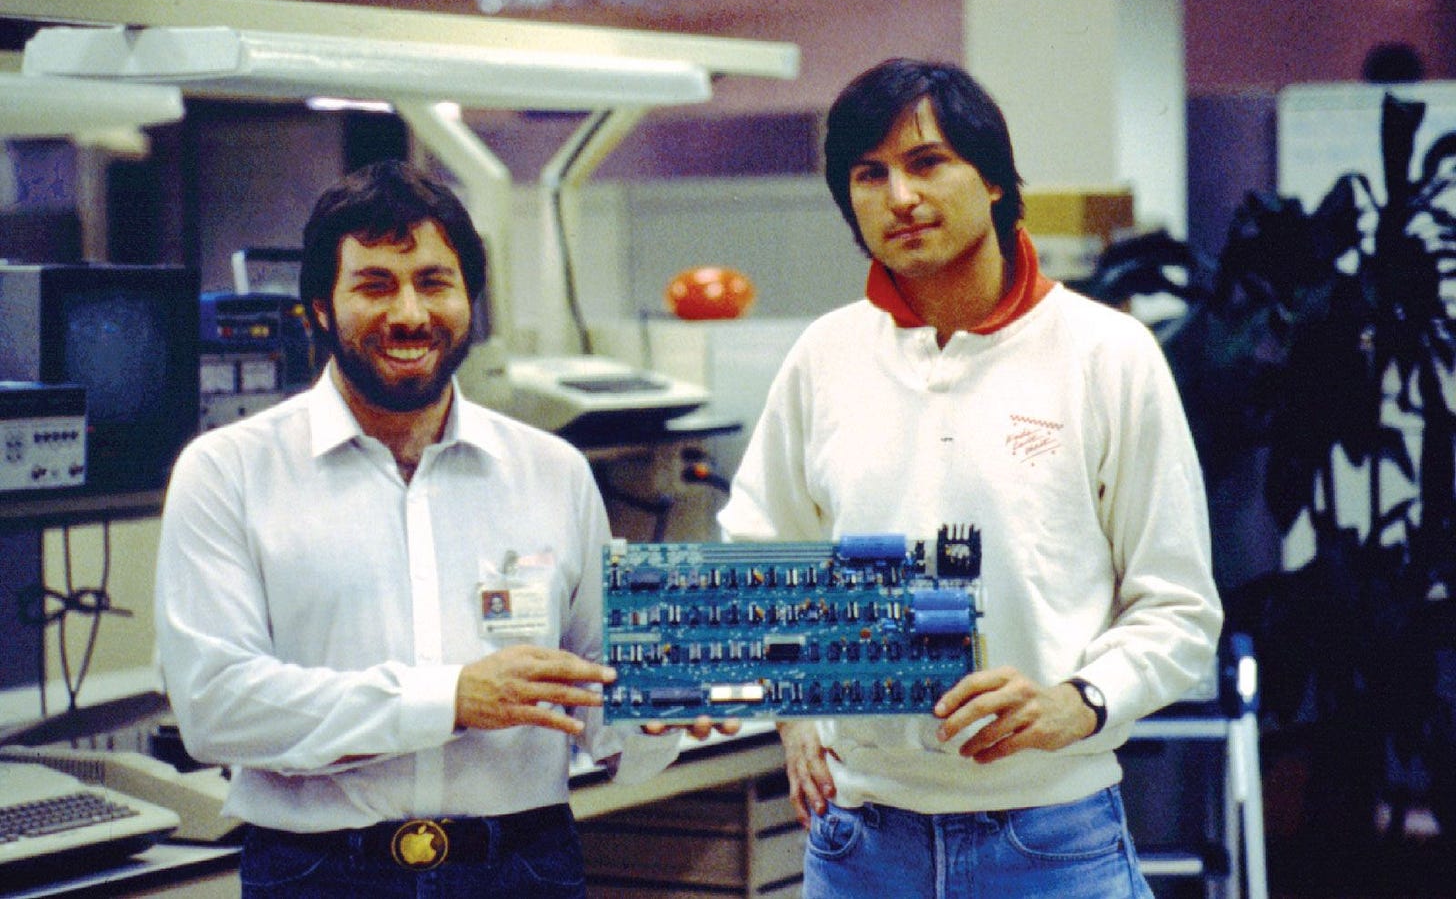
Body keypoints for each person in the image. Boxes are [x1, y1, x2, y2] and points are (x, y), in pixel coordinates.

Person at [717, 58, 1223, 898]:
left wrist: (1083, 701)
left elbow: (1179, 607)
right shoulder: (826, 357)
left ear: (992, 179)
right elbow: (761, 559)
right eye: (869, 175)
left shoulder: (1106, 355)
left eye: (926, 163)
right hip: (858, 843)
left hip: (1052, 840)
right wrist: (795, 708)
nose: (900, 197)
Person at [155, 159, 728, 898]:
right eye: (374, 285)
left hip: (522, 867)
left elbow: (593, 684)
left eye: (433, 282)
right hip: (319, 873)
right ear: (320, 309)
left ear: (468, 299)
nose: (409, 314)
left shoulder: (551, 471)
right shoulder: (228, 472)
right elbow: (217, 707)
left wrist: (656, 712)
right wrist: (449, 699)